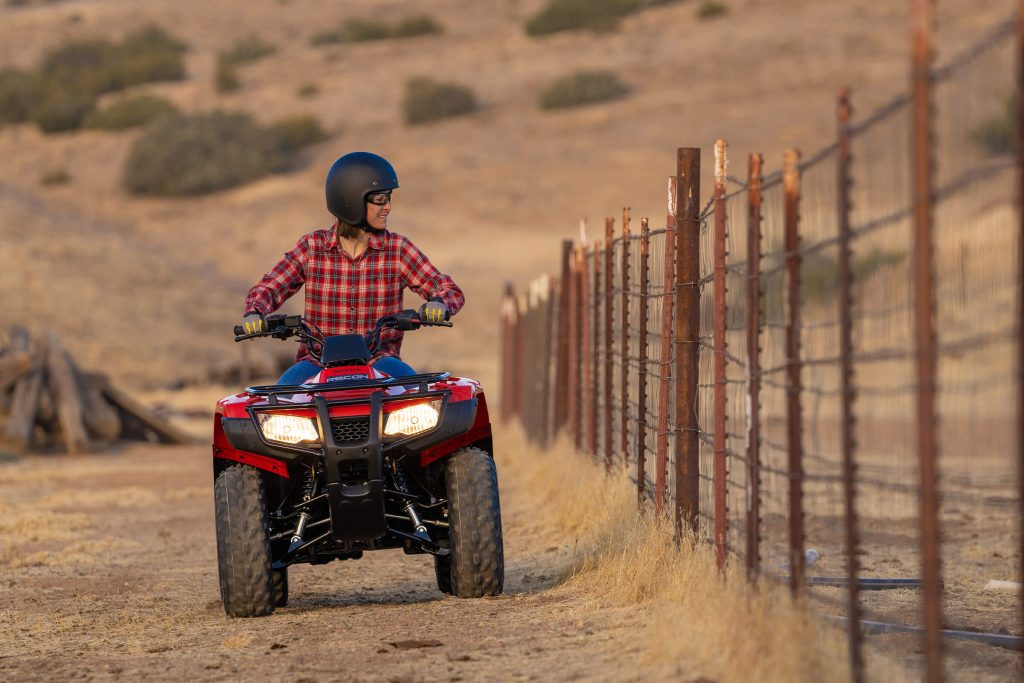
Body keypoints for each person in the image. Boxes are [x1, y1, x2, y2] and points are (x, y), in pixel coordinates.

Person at [239, 152, 465, 384]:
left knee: (419, 397)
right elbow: (270, 287)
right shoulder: (312, 248)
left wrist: (439, 302)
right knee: (280, 404)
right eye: (379, 199)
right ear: (351, 200)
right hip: (316, 362)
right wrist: (255, 312)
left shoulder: (397, 249)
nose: (388, 207)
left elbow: (446, 287)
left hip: (380, 361)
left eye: (389, 199)